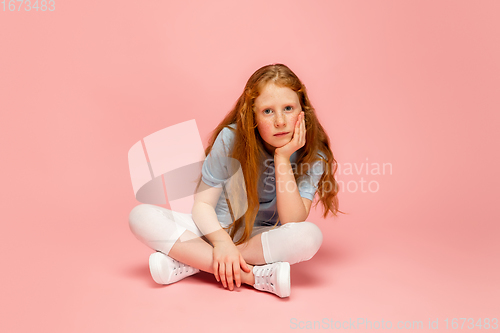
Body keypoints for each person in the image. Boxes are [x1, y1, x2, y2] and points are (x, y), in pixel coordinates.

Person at [128, 64, 342, 298]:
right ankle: (253, 276)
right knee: (141, 216)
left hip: (257, 236)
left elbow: (292, 220)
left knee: (310, 236)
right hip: (213, 229)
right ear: (252, 115)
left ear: (303, 111)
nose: (280, 121)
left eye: (288, 108)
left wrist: (282, 157)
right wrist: (221, 243)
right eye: (268, 111)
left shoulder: (314, 154)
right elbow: (202, 206)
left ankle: (191, 260)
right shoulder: (231, 138)